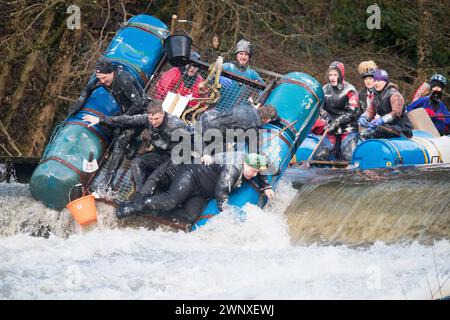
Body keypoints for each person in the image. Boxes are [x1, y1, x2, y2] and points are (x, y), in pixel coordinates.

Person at [115, 152, 275, 220]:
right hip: (191, 175)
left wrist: (266, 186)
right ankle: (133, 206)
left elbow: (261, 169)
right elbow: (221, 193)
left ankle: (155, 213)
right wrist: (227, 214)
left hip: (201, 191)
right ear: (246, 164)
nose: (253, 175)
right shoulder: (232, 168)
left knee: (190, 216)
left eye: (256, 173)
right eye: (252, 171)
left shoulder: (249, 161)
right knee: (171, 201)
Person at [68, 57, 148, 187]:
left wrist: (122, 122)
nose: (102, 81)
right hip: (125, 111)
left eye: (105, 78)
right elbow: (87, 89)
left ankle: (108, 183)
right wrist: (78, 104)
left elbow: (138, 104)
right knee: (107, 128)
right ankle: (133, 144)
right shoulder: (101, 79)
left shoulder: (124, 80)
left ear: (112, 72)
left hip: (140, 114)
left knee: (121, 140)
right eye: (99, 78)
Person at [82, 100, 191, 193]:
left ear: (163, 114)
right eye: (151, 119)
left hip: (175, 158)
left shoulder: (175, 125)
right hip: (160, 154)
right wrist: (101, 119)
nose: (153, 122)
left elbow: (193, 139)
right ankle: (140, 192)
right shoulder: (146, 119)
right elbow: (128, 119)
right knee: (136, 162)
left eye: (156, 119)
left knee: (162, 175)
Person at [314, 61, 359, 162]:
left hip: (348, 129)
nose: (332, 78)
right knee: (318, 156)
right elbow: (320, 109)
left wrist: (336, 122)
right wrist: (328, 119)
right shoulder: (324, 89)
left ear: (341, 75)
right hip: (331, 129)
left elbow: (352, 112)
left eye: (335, 75)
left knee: (348, 157)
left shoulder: (350, 90)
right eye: (330, 75)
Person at [358, 69, 413, 139]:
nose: (376, 83)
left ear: (385, 81)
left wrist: (382, 120)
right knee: (364, 133)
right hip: (386, 126)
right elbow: (371, 111)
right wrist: (364, 117)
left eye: (379, 81)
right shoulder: (375, 95)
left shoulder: (394, 94)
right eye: (375, 81)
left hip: (401, 127)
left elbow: (396, 113)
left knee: (372, 133)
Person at [217, 39, 265, 111]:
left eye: (246, 54)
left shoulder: (252, 73)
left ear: (249, 57)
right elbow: (210, 75)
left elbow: (264, 88)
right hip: (218, 106)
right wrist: (219, 78)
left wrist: (258, 97)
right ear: (236, 55)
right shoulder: (227, 66)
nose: (243, 57)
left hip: (237, 112)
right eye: (241, 53)